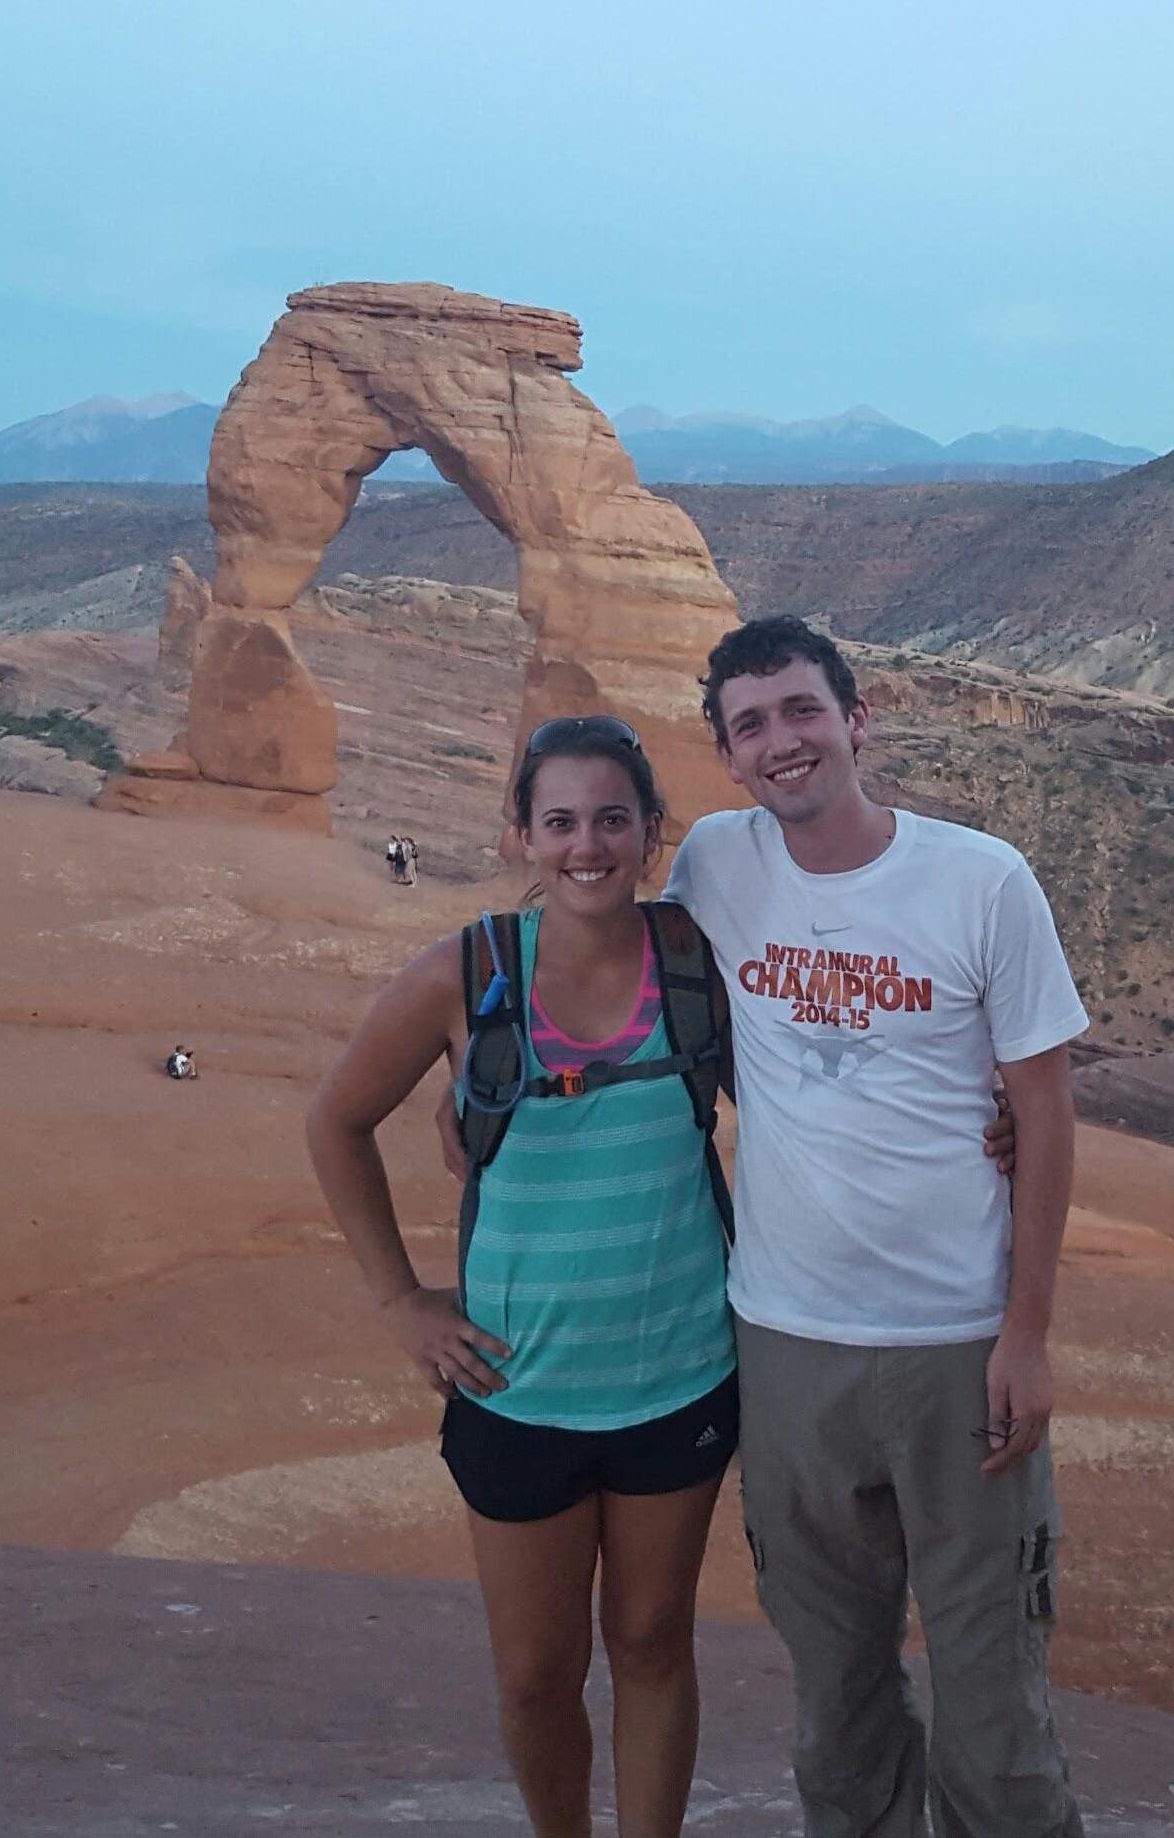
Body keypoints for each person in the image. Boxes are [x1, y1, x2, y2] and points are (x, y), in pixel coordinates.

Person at [666, 616, 1087, 1836]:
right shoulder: (714, 863)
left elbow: (1048, 1117)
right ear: (730, 760)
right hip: (786, 1345)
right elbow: (621, 983)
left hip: (958, 1345)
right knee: (835, 1711)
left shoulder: (980, 879)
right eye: (752, 726)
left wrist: (1029, 1334)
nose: (782, 742)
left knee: (995, 1715)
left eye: (802, 711)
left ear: (857, 720)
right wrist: (476, 1090)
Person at [309, 719, 739, 1838]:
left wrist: (986, 1119)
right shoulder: (468, 974)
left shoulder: (697, 966)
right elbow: (337, 1121)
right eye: (560, 822)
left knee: (651, 1643)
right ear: (522, 836)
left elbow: (828, 1083)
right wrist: (400, 1301)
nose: (585, 845)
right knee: (535, 1677)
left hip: (680, 1377)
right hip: (519, 1391)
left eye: (612, 819)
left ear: (651, 834)